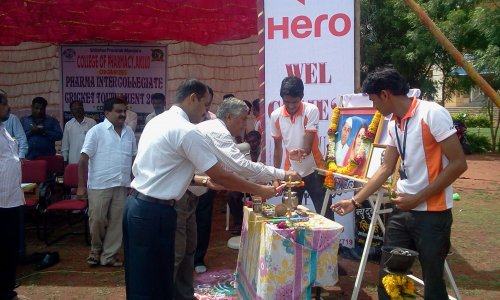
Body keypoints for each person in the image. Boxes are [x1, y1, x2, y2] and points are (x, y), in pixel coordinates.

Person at [122, 79, 276, 300]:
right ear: (192, 98)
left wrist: (202, 182)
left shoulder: (158, 121)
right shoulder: (186, 131)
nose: (206, 112)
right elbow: (222, 175)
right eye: (205, 105)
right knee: (156, 278)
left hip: (137, 205)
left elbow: (164, 169)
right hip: (154, 211)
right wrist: (259, 189)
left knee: (141, 276)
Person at [331, 68, 467, 299]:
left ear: (385, 95)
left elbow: (458, 163)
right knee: (390, 275)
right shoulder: (394, 123)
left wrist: (418, 198)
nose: (374, 107)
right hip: (402, 211)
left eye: (374, 100)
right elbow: (385, 168)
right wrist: (355, 201)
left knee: (432, 281)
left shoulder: (432, 113)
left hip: (432, 214)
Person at [77, 97, 137, 267]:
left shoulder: (129, 133)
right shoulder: (96, 131)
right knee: (97, 221)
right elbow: (82, 160)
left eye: (124, 111)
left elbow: (134, 159)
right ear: (107, 113)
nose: (123, 114)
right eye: (118, 111)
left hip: (122, 185)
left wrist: (134, 181)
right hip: (99, 185)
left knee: (117, 223)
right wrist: (81, 187)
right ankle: (95, 251)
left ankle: (108, 256)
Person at [270, 76, 332, 219]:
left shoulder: (311, 110)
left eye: (295, 102)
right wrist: (276, 175)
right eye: (287, 102)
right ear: (281, 98)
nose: (291, 106)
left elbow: (308, 146)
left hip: (315, 170)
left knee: (326, 215)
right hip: (290, 172)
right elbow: (278, 149)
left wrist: (302, 152)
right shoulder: (275, 115)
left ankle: (332, 242)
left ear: (302, 97)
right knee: (288, 216)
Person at [0, 94, 25, 300]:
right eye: (5, 104)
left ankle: (7, 290)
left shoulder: (4, 130)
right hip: (1, 201)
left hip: (9, 199)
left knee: (9, 246)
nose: (9, 107)